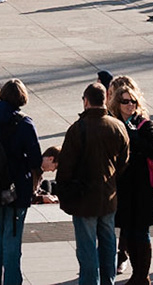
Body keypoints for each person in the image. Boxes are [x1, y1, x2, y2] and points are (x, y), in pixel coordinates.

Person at [56, 80, 130, 285]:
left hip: (83, 199)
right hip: (108, 196)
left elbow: (66, 167)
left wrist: (64, 192)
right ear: (106, 100)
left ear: (86, 101)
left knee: (87, 246)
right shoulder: (118, 126)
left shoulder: (77, 129)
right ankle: (109, 280)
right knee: (108, 242)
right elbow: (124, 162)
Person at [105, 77, 153, 285]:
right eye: (125, 102)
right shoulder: (112, 123)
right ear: (116, 104)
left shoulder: (143, 124)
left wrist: (134, 137)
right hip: (121, 187)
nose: (130, 105)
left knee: (141, 232)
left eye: (133, 101)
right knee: (127, 233)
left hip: (141, 187)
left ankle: (142, 276)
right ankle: (137, 275)